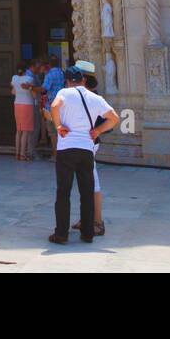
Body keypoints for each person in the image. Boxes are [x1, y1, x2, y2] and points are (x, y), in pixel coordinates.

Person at [48, 62, 119, 245]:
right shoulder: (95, 97)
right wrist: (97, 131)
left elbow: (54, 106)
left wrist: (58, 126)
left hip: (66, 149)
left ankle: (61, 234)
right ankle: (88, 233)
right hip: (86, 149)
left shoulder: (64, 93)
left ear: (67, 81)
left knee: (63, 192)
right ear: (83, 79)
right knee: (86, 192)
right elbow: (114, 118)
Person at [72, 71, 106, 237]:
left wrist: (97, 131)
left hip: (89, 145)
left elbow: (111, 118)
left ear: (83, 80)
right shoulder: (87, 97)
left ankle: (98, 222)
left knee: (93, 183)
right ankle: (87, 218)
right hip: (83, 144)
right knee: (84, 182)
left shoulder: (92, 98)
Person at [10, 61, 38, 160]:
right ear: (26, 69)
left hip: (17, 104)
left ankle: (17, 153)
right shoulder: (29, 79)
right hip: (27, 105)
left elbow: (13, 92)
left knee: (18, 130)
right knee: (25, 131)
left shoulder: (14, 78)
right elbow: (34, 94)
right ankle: (23, 154)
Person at [39, 55, 64, 157]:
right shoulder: (62, 72)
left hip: (51, 106)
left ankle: (55, 154)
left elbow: (45, 88)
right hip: (62, 105)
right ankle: (62, 154)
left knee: (53, 132)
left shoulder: (49, 74)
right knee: (61, 131)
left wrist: (32, 87)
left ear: (48, 65)